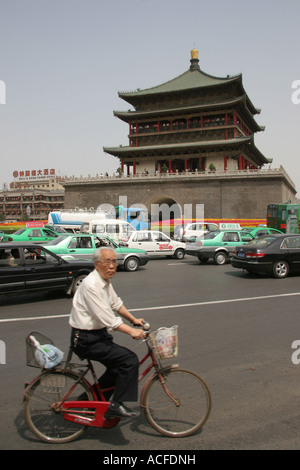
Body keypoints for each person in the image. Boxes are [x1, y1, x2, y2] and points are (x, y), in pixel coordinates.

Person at [69, 246, 146, 419]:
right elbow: (108, 318)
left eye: (114, 261)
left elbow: (116, 304)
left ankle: (86, 402)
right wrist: (131, 331)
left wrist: (133, 319)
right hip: (85, 339)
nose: (112, 266)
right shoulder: (91, 285)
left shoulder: (104, 282)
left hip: (96, 336)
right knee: (129, 360)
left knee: (117, 367)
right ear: (97, 264)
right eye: (107, 262)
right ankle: (116, 404)